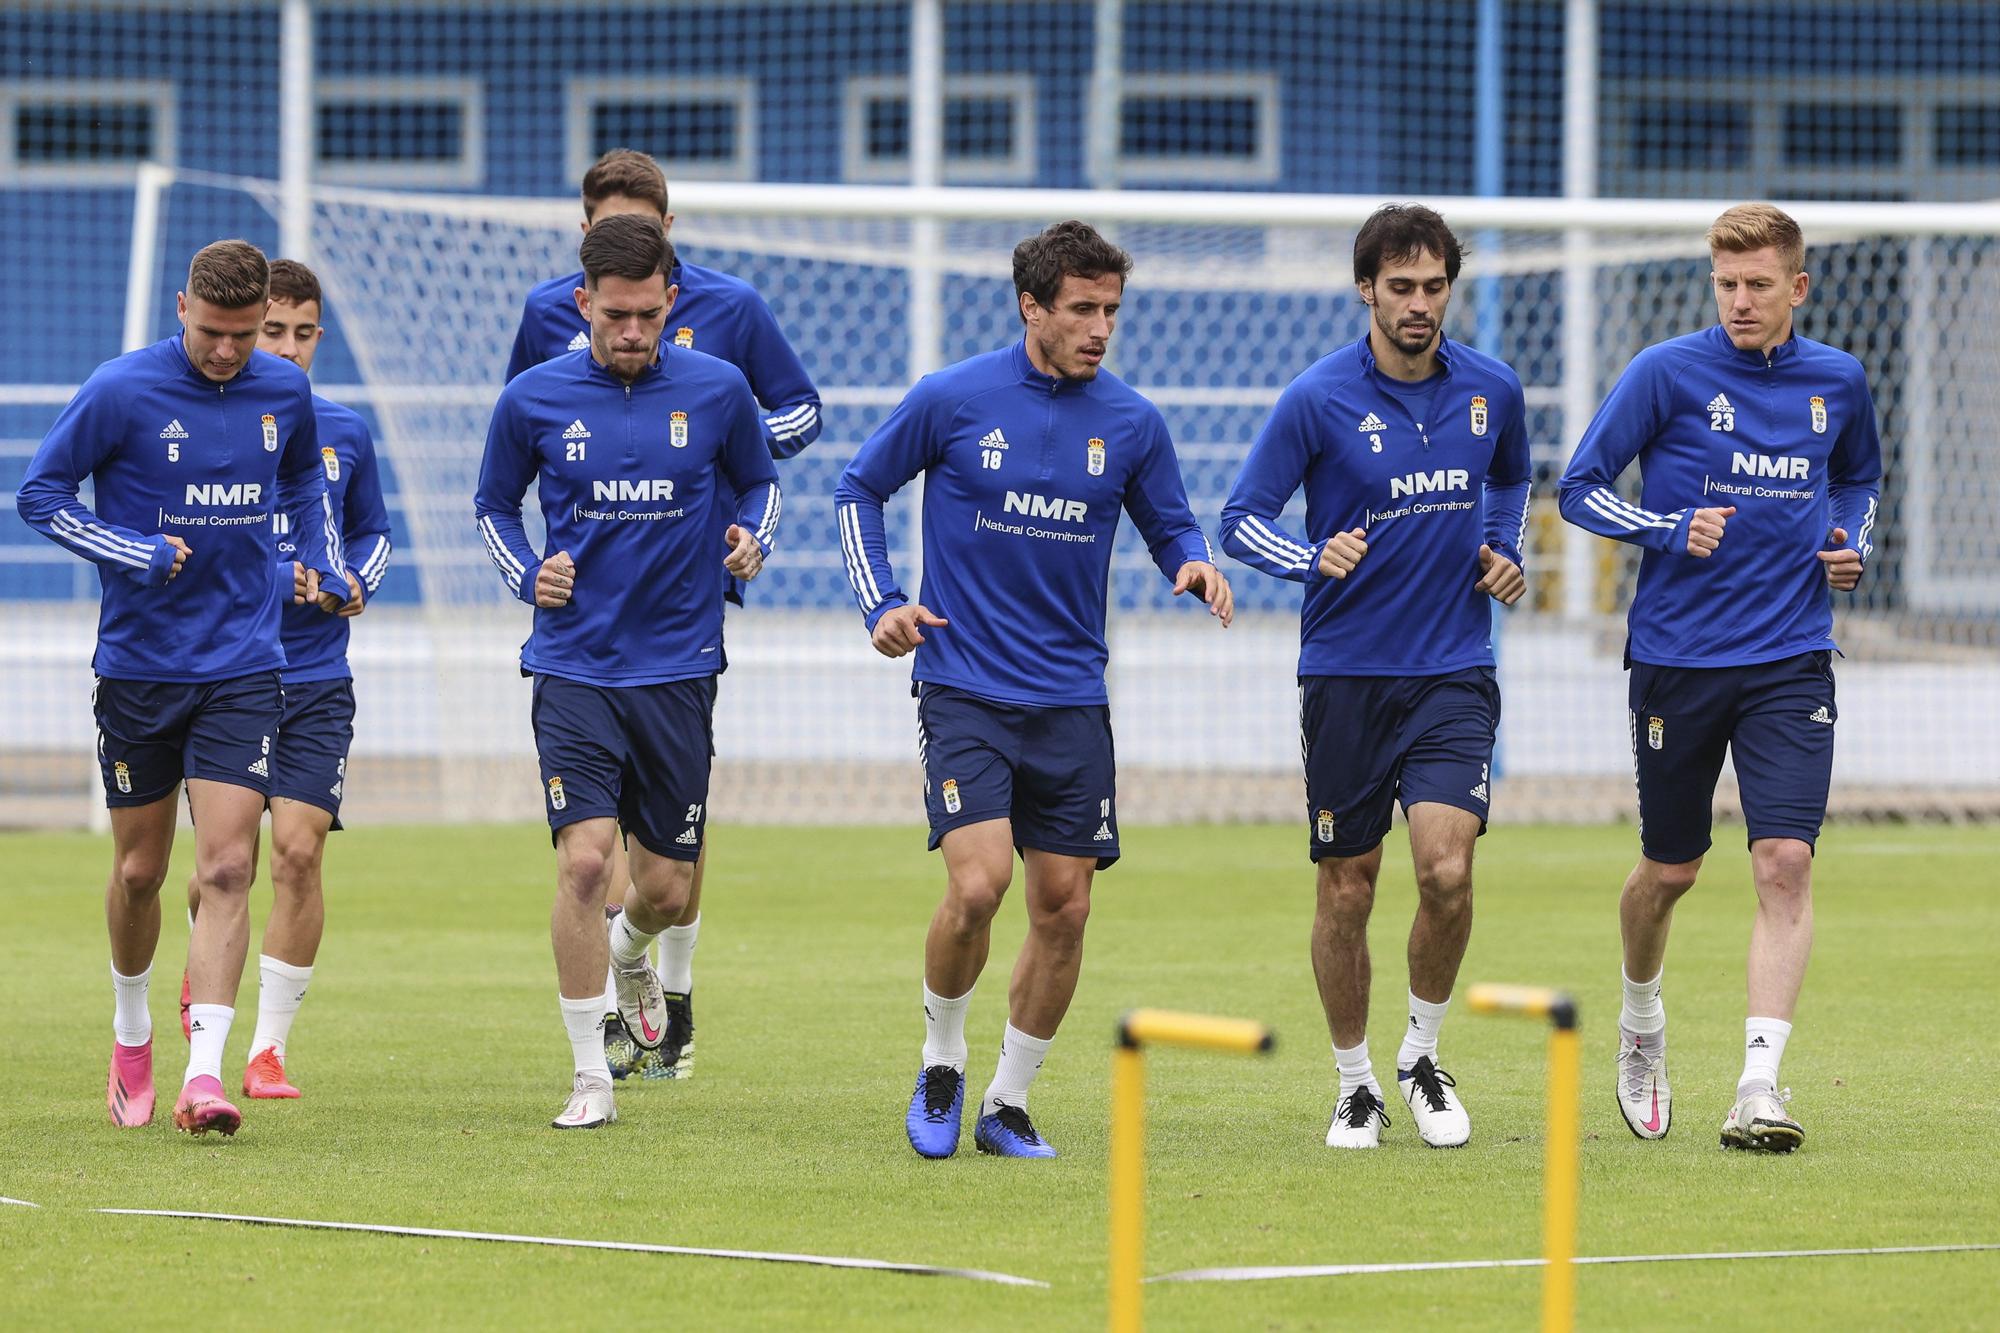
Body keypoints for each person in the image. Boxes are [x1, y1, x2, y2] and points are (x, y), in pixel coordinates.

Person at [834, 220, 1232, 1160]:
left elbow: (1170, 525)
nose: (1101, 328)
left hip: (1071, 701)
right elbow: (859, 490)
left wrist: (1194, 565)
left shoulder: (1133, 422)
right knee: (979, 884)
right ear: (1032, 307)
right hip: (964, 685)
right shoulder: (952, 398)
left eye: (1112, 311)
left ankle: (1008, 1101)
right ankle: (941, 1060)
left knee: (1066, 906)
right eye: (1083, 309)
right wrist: (882, 604)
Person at [1558, 203, 1882, 1153]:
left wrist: (1849, 542)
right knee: (1671, 869)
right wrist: (1664, 526)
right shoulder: (1666, 372)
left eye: (1758, 285)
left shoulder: (1839, 379)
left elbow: (1860, 481)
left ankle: (1758, 1085)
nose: (1740, 302)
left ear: (1798, 288)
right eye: (1725, 284)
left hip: (1790, 657)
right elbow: (1580, 484)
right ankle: (1641, 1018)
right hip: (1677, 657)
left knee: (1784, 862)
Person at [16, 239, 348, 1135]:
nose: (232, 352)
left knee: (230, 864)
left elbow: (304, 487)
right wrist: (135, 550)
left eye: (245, 335)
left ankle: (205, 1075)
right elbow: (40, 495)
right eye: (215, 333)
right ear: (182, 309)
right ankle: (132, 1034)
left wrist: (319, 555)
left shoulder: (285, 389)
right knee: (139, 872)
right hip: (138, 668)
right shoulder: (121, 388)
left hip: (245, 663)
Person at [1219, 204, 1531, 1150]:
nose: (1419, 305)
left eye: (1434, 287)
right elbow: (1239, 518)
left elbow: (1513, 479)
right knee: (1347, 887)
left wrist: (1503, 548)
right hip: (1346, 675)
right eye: (1400, 288)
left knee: (1446, 868)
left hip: (1453, 670)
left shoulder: (1492, 389)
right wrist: (1312, 554)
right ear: (1366, 289)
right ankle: (1355, 1081)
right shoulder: (1316, 398)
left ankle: (1421, 1056)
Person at [507, 148, 821, 1080]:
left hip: (694, 580)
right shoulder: (545, 319)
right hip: (587, 600)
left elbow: (799, 413)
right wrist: (534, 565)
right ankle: (603, 1025)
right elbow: (526, 442)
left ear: (670, 233)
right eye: (600, 224)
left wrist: (718, 458)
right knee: (587, 844)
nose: (635, 320)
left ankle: (671, 991)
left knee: (671, 838)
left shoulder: (732, 312)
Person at [181, 259, 393, 1100]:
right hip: (224, 674)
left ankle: (266, 1050)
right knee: (214, 871)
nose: (289, 348)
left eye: (304, 334)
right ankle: (205, 997)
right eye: (275, 331)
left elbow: (369, 536)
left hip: (313, 676)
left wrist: (346, 582)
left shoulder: (343, 431)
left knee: (298, 854)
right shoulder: (203, 424)